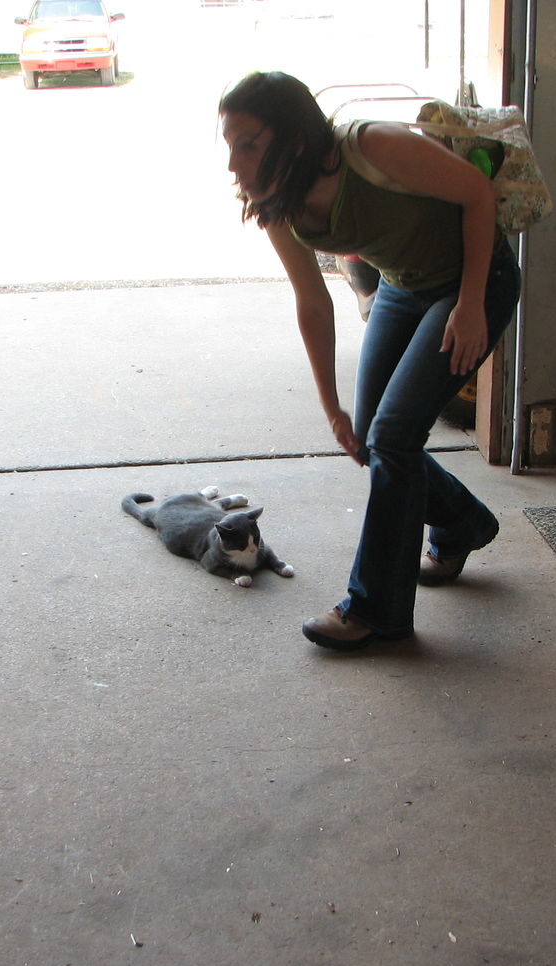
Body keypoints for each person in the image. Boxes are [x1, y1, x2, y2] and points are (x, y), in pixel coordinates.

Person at [217, 71, 522, 651]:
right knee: (373, 440)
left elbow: (478, 197)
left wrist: (472, 303)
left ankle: (376, 610)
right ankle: (464, 524)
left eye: (249, 143)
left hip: (474, 283)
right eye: (230, 145)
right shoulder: (275, 201)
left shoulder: (372, 147)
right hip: (404, 287)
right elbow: (312, 300)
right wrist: (332, 408)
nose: (235, 162)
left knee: (394, 437)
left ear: (296, 138)